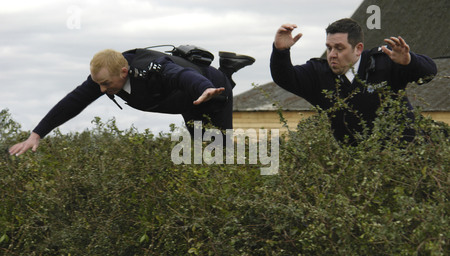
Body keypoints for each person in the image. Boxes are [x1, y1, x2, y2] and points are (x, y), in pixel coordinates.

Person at [9, 46, 255, 156]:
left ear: (124, 72)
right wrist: (36, 134)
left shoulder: (151, 68)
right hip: (185, 101)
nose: (103, 90)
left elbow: (182, 75)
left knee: (219, 154)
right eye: (99, 85)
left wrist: (206, 88)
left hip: (208, 91)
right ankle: (228, 69)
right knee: (203, 152)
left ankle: (226, 72)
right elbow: (73, 102)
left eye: (106, 84)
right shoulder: (103, 78)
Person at [270, 18, 438, 145]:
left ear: (358, 49)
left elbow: (429, 73)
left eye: (339, 48)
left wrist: (409, 61)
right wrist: (280, 52)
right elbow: (285, 78)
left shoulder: (384, 61)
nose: (332, 54)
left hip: (405, 161)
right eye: (329, 48)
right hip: (355, 169)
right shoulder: (318, 73)